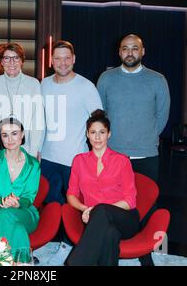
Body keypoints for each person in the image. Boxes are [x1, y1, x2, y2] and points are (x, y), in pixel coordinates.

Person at [96, 34, 170, 265]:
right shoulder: (106, 79)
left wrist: (144, 137)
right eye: (125, 48)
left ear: (143, 51)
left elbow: (162, 115)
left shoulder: (157, 79)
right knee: (113, 203)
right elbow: (101, 113)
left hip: (146, 153)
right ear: (119, 52)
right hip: (114, 154)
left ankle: (146, 252)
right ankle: (114, 246)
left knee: (147, 204)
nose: (130, 52)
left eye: (135, 48)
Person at [64, 109, 139, 266]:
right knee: (110, 234)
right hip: (95, 221)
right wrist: (86, 209)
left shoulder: (122, 161)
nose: (97, 137)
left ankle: (76, 263)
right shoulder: (79, 161)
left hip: (125, 218)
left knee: (102, 210)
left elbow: (130, 201)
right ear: (87, 134)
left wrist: (96, 211)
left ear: (109, 134)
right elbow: (71, 194)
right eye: (93, 132)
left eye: (102, 132)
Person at [41, 40, 103, 204]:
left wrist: (96, 154)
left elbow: (99, 122)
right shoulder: (44, 84)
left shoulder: (86, 87)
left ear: (74, 59)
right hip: (47, 158)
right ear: (51, 60)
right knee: (50, 208)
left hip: (75, 160)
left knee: (74, 208)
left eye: (67, 58)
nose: (63, 63)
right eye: (58, 58)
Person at [0, 117, 40, 262]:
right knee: (18, 230)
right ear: (0, 137)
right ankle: (22, 264)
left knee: (8, 214)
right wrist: (1, 201)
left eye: (14, 133)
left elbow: (29, 197)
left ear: (22, 134)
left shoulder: (33, 164)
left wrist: (17, 204)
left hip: (24, 213)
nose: (10, 139)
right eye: (5, 135)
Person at [0, 42, 45, 159]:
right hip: (1, 148)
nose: (12, 62)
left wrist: (34, 152)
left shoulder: (33, 84)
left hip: (26, 148)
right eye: (7, 58)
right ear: (1, 62)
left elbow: (37, 121)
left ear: (22, 61)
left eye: (16, 58)